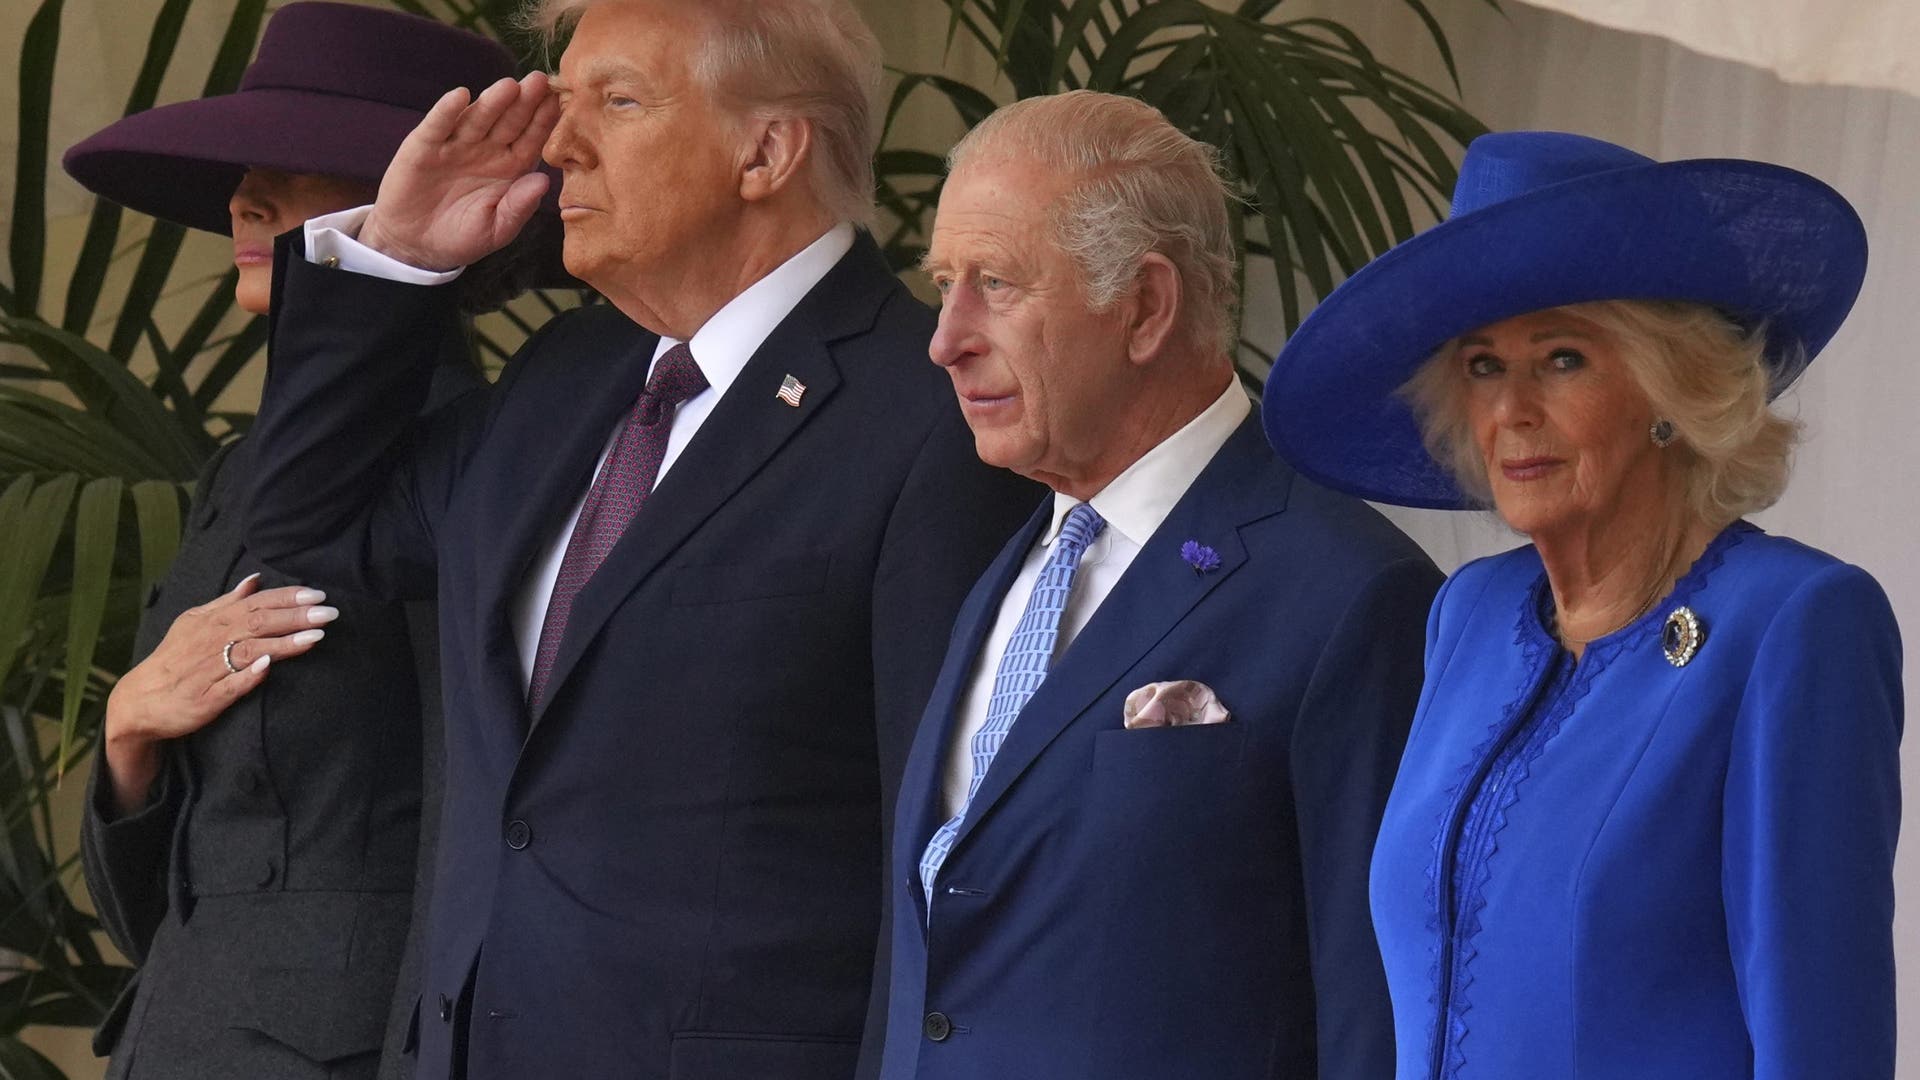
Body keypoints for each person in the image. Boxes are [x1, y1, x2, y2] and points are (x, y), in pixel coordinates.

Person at [236, 0, 1040, 1077]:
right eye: (561, 104)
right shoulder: (561, 383)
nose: (561, 144)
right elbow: (311, 524)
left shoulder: (930, 418)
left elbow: (946, 855)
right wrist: (397, 258)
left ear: (765, 149)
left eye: (615, 102)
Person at [1262, 130, 1902, 1079]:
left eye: (1561, 358)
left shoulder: (1795, 625)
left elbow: (1824, 1045)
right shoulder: (1470, 617)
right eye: (1483, 365)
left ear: (1668, 387)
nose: (1512, 409)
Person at [879, 90, 1440, 1080]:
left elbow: (1372, 1012)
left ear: (1143, 306)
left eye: (997, 284)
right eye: (944, 284)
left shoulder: (1351, 592)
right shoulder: (1005, 569)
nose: (946, 337)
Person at [59, 5, 541, 1079]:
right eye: (243, 166)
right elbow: (188, 887)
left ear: (432, 200)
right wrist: (130, 728)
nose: (243, 197)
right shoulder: (237, 475)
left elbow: (475, 829)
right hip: (175, 1039)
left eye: (303, 167)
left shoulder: (476, 459)